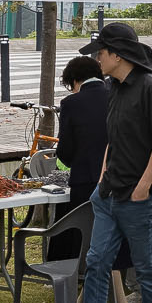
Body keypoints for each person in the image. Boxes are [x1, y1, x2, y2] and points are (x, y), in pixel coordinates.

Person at [66, 22, 152, 303]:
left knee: (145, 268)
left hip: (138, 198)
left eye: (100, 52)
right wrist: (102, 179)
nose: (96, 58)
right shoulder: (114, 86)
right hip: (110, 194)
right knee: (97, 262)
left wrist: (143, 188)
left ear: (117, 54)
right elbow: (113, 138)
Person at [54, 53, 112, 214]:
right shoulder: (116, 96)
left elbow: (65, 149)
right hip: (118, 178)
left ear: (74, 80)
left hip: (85, 179)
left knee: (83, 229)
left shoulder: (71, 103)